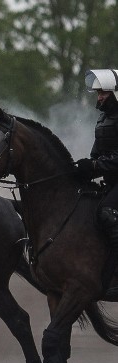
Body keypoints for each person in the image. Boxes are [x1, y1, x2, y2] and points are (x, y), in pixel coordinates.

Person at [74, 69, 118, 248]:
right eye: (98, 93)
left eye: (104, 92)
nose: (99, 97)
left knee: (106, 212)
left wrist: (95, 166)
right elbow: (96, 154)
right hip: (111, 182)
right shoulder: (103, 119)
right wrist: (83, 168)